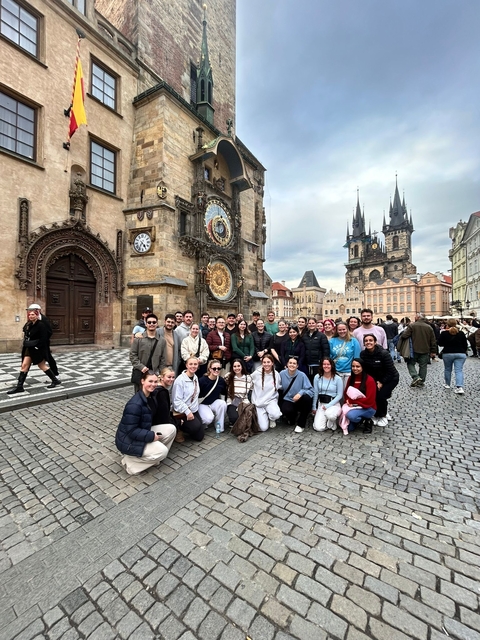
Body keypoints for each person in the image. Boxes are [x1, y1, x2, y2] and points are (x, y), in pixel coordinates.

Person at [115, 370, 177, 475]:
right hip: (128, 440)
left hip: (142, 431)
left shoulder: (151, 396)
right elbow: (131, 431)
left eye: (155, 381)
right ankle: (131, 464)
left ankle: (151, 457)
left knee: (171, 429)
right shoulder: (134, 404)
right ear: (142, 381)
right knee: (162, 451)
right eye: (150, 381)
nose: (153, 384)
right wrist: (151, 436)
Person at [7, 309, 62, 394]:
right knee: (24, 365)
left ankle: (55, 380)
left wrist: (37, 347)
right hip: (29, 348)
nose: (31, 316)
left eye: (33, 315)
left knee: (42, 366)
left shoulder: (41, 325)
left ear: (37, 315)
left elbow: (44, 338)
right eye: (30, 315)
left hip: (37, 349)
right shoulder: (29, 324)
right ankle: (20, 387)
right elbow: (25, 332)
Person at [360, 334, 399, 426]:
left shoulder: (383, 353)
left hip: (391, 378)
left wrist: (381, 381)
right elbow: (366, 370)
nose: (368, 342)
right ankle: (377, 413)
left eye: (371, 340)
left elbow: (390, 371)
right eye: (366, 341)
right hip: (375, 378)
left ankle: (382, 416)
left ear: (375, 342)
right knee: (373, 395)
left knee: (381, 396)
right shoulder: (363, 354)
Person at [398, 312, 437, 387]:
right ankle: (421, 381)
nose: (415, 317)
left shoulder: (412, 325)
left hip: (413, 349)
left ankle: (415, 377)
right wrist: (433, 351)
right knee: (423, 366)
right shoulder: (429, 327)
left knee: (410, 363)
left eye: (415, 316)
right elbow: (433, 340)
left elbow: (405, 335)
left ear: (418, 318)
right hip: (425, 349)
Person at [130, 314, 167, 392]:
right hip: (141, 373)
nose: (151, 324)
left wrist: (160, 373)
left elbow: (163, 359)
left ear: (157, 324)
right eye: (149, 322)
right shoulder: (138, 339)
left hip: (155, 374)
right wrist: (141, 366)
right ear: (146, 324)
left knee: (153, 398)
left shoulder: (162, 341)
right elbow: (132, 355)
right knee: (139, 396)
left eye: (154, 322)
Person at [171, 357, 204, 442]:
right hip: (183, 411)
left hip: (193, 409)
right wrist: (187, 411)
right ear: (186, 365)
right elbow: (176, 401)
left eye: (195, 364)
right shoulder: (180, 380)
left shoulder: (195, 377)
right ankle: (179, 427)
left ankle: (188, 426)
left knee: (199, 436)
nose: (193, 366)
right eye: (191, 364)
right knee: (195, 427)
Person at [279, 357, 313, 433]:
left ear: (297, 366)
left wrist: (300, 393)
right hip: (288, 399)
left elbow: (310, 390)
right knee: (286, 410)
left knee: (307, 398)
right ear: (287, 364)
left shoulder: (302, 375)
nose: (292, 365)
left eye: (294, 363)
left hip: (299, 400)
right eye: (290, 363)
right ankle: (292, 418)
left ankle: (301, 424)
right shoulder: (282, 374)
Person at [342, 358, 377, 434]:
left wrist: (352, 402)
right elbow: (346, 393)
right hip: (353, 406)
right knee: (349, 428)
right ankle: (357, 420)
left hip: (368, 407)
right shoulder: (351, 378)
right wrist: (347, 400)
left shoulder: (369, 380)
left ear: (362, 367)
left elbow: (369, 400)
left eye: (358, 366)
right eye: (353, 366)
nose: (355, 368)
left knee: (350, 415)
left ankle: (367, 420)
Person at [251, 353, 282, 431]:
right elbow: (248, 382)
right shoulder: (256, 373)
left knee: (276, 414)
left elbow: (278, 387)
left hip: (270, 401)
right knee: (263, 428)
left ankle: (271, 418)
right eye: (264, 362)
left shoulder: (276, 374)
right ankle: (263, 415)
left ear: (272, 363)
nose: (266, 364)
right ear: (262, 363)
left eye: (268, 362)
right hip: (259, 403)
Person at [312, 358, 343, 432]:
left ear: (331, 365)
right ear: (321, 366)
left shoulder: (337, 378)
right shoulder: (317, 377)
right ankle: (325, 421)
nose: (326, 366)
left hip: (333, 403)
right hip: (322, 404)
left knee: (330, 415)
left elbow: (339, 395)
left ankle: (332, 421)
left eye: (328, 364)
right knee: (318, 428)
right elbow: (315, 392)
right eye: (324, 364)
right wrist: (314, 407)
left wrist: (328, 405)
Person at [27, 303, 59, 376]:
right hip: (34, 344)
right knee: (27, 361)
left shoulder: (44, 319)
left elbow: (49, 332)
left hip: (43, 343)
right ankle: (21, 378)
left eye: (32, 311)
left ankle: (56, 374)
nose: (30, 314)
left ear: (37, 311)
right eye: (30, 311)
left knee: (49, 358)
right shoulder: (32, 319)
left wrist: (42, 340)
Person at [438, 319, 468, 394]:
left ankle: (447, 384)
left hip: (448, 353)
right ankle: (459, 387)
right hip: (460, 353)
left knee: (448, 369)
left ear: (447, 324)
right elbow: (465, 345)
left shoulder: (444, 333)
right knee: (459, 370)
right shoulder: (461, 333)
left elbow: (440, 343)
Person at [329, 322, 361, 387]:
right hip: (336, 371)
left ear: (347, 329)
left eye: (344, 329)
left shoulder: (353, 341)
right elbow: (330, 357)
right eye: (340, 330)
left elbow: (357, 357)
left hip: (349, 371)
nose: (342, 331)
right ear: (337, 331)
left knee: (348, 391)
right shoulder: (332, 341)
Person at [198, 359, 227, 431]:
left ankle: (219, 426)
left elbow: (224, 393)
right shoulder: (202, 380)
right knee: (208, 419)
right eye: (214, 368)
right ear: (209, 369)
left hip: (213, 402)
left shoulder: (221, 380)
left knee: (222, 404)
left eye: (218, 368)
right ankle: (202, 424)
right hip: (202, 403)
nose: (216, 370)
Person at [224, 359, 253, 426]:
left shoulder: (248, 378)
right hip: (232, 401)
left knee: (247, 419)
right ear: (232, 367)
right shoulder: (228, 376)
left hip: (244, 401)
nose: (237, 368)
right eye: (235, 366)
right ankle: (233, 422)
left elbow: (251, 389)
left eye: (238, 366)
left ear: (242, 366)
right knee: (235, 418)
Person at [303, 317, 329, 382]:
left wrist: (324, 361)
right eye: (309, 323)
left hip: (317, 363)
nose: (311, 324)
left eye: (313, 323)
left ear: (316, 324)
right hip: (307, 363)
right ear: (307, 324)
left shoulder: (321, 336)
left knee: (317, 381)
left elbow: (326, 350)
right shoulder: (305, 335)